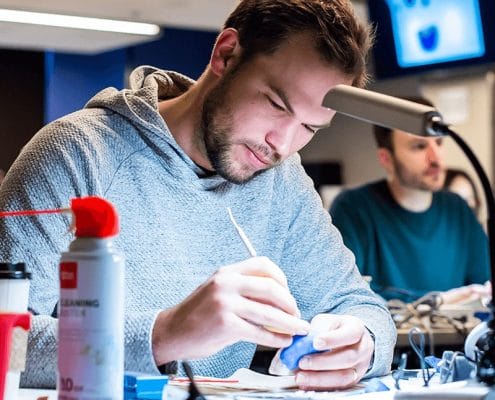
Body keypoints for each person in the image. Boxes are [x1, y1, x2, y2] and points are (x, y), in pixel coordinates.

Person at [0, 0, 396, 391]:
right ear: (226, 54)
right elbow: (6, 347)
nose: (283, 144)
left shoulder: (282, 178)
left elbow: (362, 306)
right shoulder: (77, 154)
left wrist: (361, 343)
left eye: (310, 127)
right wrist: (166, 333)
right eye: (276, 104)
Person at [330, 97, 490, 303]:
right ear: (386, 159)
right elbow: (349, 291)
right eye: (419, 146)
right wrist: (437, 301)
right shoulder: (353, 208)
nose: (436, 158)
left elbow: (484, 286)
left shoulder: (457, 209)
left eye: (439, 143)